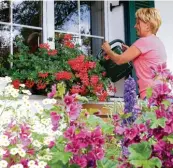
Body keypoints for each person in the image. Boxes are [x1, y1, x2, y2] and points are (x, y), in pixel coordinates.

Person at [101, 8, 167, 100]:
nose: (135, 26)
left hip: (150, 95)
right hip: (161, 93)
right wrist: (130, 51)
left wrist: (108, 50)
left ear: (147, 26)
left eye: (138, 23)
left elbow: (119, 60)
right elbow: (146, 61)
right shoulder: (157, 42)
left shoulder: (143, 42)